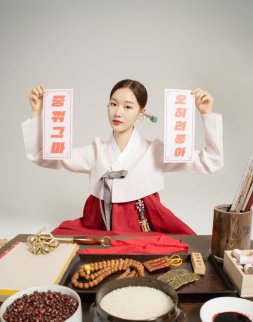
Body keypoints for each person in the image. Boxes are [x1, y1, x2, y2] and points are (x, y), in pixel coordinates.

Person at [21, 79, 223, 235]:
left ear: (141, 113)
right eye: (113, 104)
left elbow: (210, 161)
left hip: (143, 225)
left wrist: (206, 113)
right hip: (98, 225)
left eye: (128, 107)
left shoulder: (155, 151)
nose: (118, 112)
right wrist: (36, 111)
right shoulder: (95, 151)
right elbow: (40, 155)